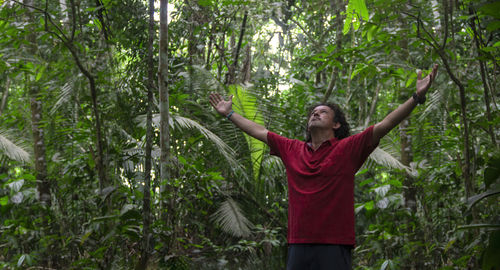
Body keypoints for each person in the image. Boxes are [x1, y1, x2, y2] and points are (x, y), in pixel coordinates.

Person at [209, 64, 438, 269]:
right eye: (313, 112)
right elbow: (258, 131)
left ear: (336, 124)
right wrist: (229, 113)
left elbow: (385, 124)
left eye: (323, 112)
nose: (315, 114)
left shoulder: (348, 148)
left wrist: (417, 97)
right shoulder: (292, 149)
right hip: (298, 244)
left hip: (335, 244)